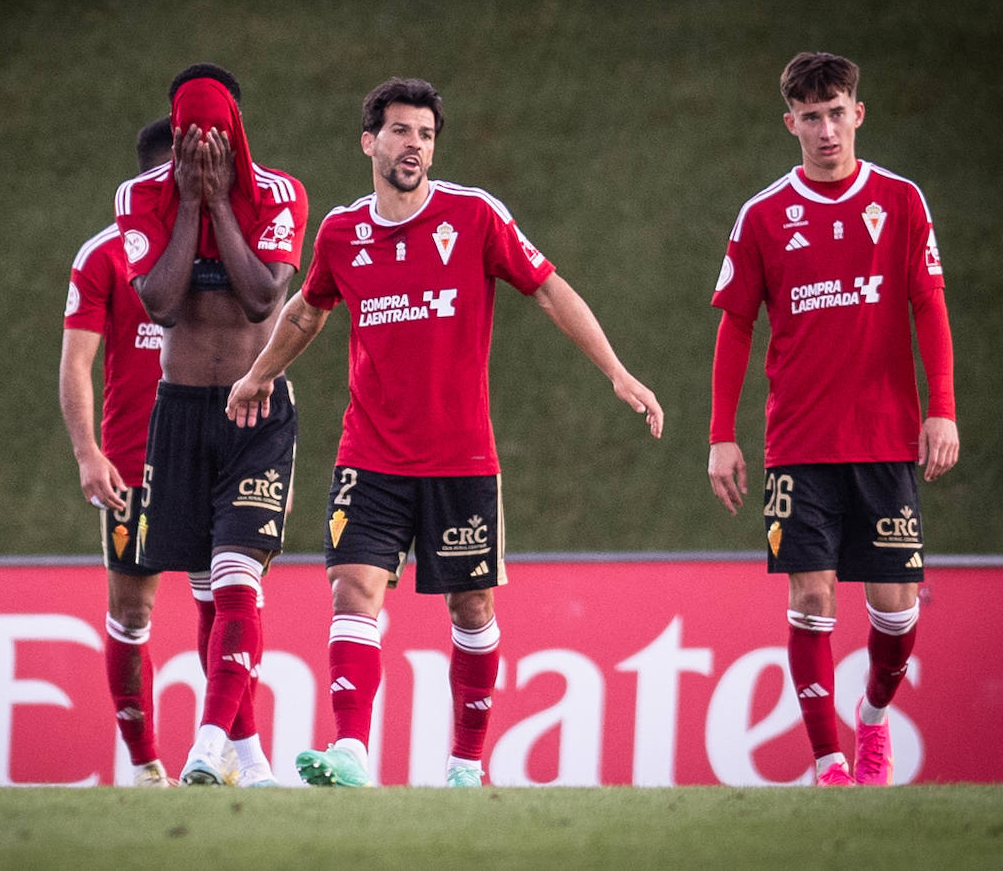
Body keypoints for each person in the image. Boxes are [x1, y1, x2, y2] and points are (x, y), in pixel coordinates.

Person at [226, 77, 664, 788]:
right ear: (370, 141)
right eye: (401, 131)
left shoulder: (475, 216)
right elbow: (308, 310)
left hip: (460, 457)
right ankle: (353, 753)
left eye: (426, 135)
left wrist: (615, 371)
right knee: (353, 587)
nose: (415, 146)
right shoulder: (342, 232)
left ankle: (465, 763)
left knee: (472, 605)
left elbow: (548, 286)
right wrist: (258, 375)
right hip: (369, 452)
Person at [706, 52, 959, 786]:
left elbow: (929, 305)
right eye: (810, 117)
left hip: (884, 438)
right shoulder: (762, 215)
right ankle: (829, 764)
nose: (825, 128)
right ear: (791, 124)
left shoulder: (902, 201)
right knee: (811, 595)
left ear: (858, 114)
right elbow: (735, 327)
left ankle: (874, 715)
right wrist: (723, 433)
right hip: (799, 445)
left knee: (895, 607)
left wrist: (940, 408)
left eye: (836, 111)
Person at [115, 63, 308, 787]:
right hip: (181, 409)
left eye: (214, 134)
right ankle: (253, 764)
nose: (201, 147)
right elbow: (161, 305)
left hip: (254, 408)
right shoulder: (140, 198)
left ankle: (203, 744)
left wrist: (222, 204)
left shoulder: (279, 194)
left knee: (235, 581)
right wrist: (190, 205)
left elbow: (263, 297)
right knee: (206, 589)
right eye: (189, 134)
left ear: (236, 134)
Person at [60, 117, 181, 787]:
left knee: (226, 599)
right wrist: (88, 452)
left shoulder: (220, 243)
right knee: (132, 613)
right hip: (134, 468)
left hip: (210, 462)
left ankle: (226, 751)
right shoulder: (103, 255)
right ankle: (145, 767)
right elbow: (77, 363)